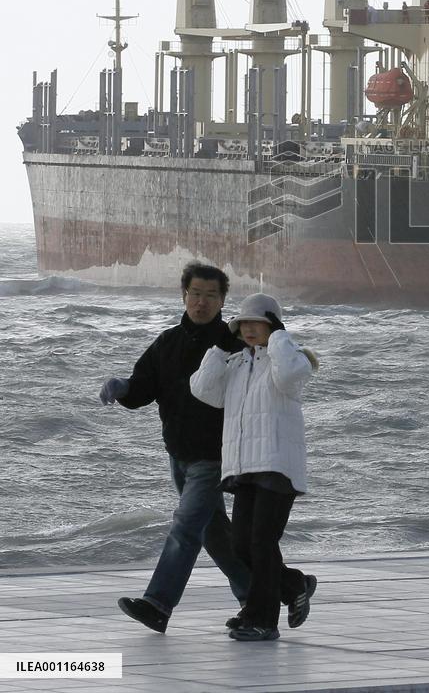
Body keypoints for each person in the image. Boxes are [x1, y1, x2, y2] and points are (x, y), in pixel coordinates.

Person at [99, 262, 249, 633]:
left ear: (222, 300)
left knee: (185, 527)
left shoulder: (233, 346)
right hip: (178, 455)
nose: (201, 303)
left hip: (213, 457)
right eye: (195, 294)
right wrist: (122, 388)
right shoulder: (167, 342)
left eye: (211, 296)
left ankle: (158, 604)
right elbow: (142, 389)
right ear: (184, 296)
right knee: (215, 534)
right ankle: (268, 592)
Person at [190, 293, 318, 642]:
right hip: (243, 466)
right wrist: (217, 349)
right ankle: (293, 585)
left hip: (278, 464)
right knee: (242, 545)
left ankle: (262, 619)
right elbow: (203, 391)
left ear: (272, 326)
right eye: (243, 323)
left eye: (257, 323)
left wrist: (278, 337)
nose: (248, 329)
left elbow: (290, 375)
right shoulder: (235, 365)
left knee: (262, 541)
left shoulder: (287, 360)